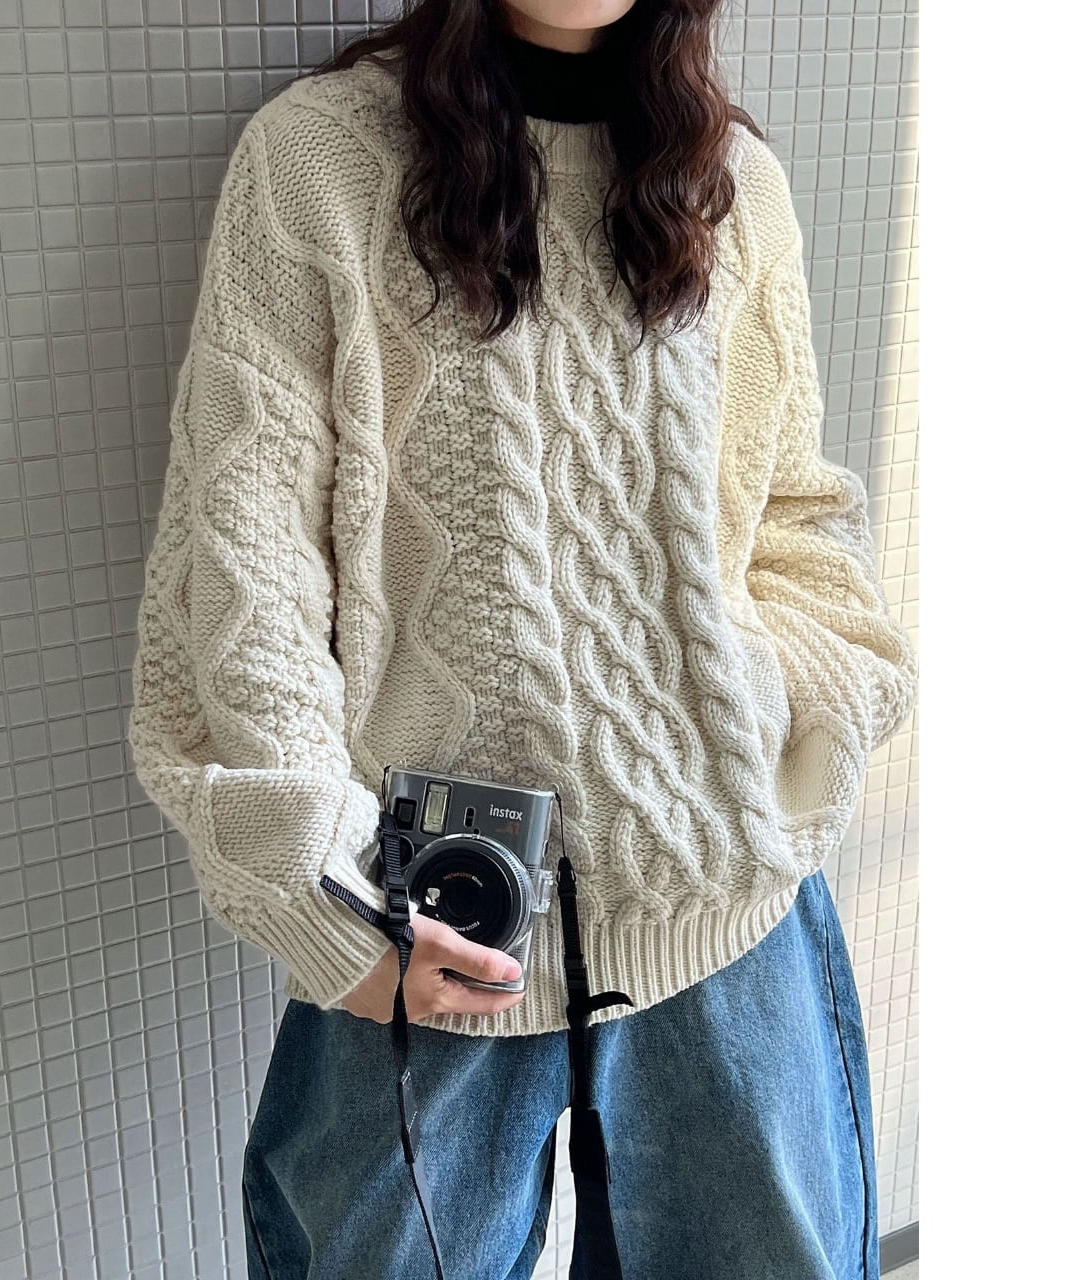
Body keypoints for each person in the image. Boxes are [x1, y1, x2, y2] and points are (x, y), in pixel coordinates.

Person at [126, 0, 917, 1276]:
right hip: (423, 926)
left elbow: (791, 512)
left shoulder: (732, 186)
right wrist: (328, 898)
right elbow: (246, 568)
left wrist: (795, 713)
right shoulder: (316, 164)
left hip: (725, 909)